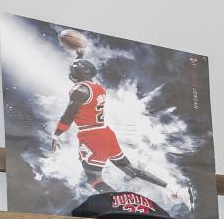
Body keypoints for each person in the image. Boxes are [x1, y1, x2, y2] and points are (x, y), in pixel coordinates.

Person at [54, 57, 173, 198]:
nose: (71, 69)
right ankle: (174, 190)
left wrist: (56, 134)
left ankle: (121, 204)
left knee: (94, 180)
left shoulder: (80, 90)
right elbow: (85, 76)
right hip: (106, 133)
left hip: (92, 136)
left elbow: (68, 116)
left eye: (75, 67)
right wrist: (79, 57)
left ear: (85, 71)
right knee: (132, 171)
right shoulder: (98, 88)